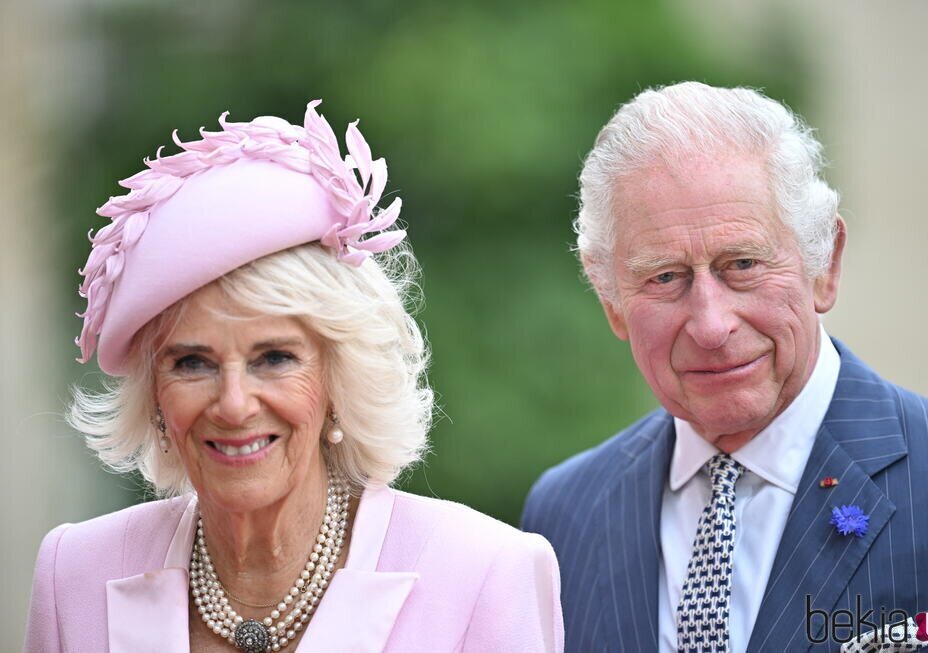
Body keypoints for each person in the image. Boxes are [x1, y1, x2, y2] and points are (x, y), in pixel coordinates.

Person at [25, 101, 563, 653]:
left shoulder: (485, 574)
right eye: (193, 363)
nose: (233, 405)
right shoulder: (75, 575)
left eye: (274, 358)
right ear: (155, 399)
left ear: (339, 379)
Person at [521, 82, 928, 652]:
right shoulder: (565, 515)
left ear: (824, 265)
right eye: (665, 277)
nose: (711, 326)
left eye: (742, 264)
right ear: (611, 299)